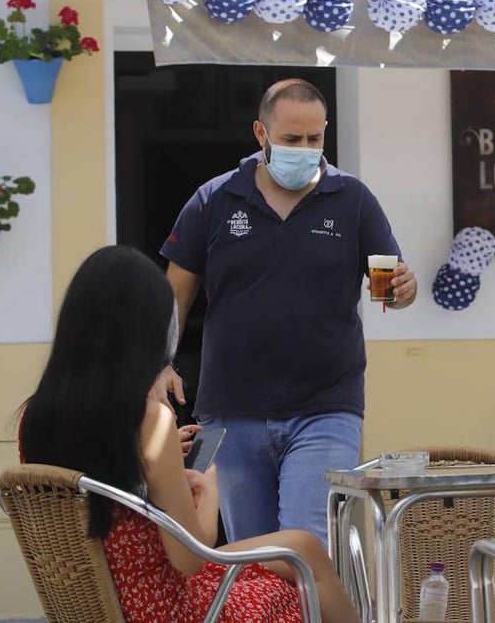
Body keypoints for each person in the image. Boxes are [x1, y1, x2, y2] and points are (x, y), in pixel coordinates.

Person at [18, 245, 361, 622]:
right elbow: (190, 558)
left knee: (302, 545)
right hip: (167, 606)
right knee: (302, 566)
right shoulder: (149, 419)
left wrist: (157, 461)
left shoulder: (36, 414)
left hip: (100, 600)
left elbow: (107, 487)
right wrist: (209, 488)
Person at [155, 78, 417, 546]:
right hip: (231, 413)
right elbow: (174, 295)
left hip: (326, 408)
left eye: (314, 139)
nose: (305, 149)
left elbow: (390, 290)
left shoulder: (353, 199)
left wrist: (403, 289)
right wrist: (159, 363)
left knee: (306, 547)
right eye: (291, 139)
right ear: (261, 134)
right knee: (251, 559)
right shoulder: (213, 200)